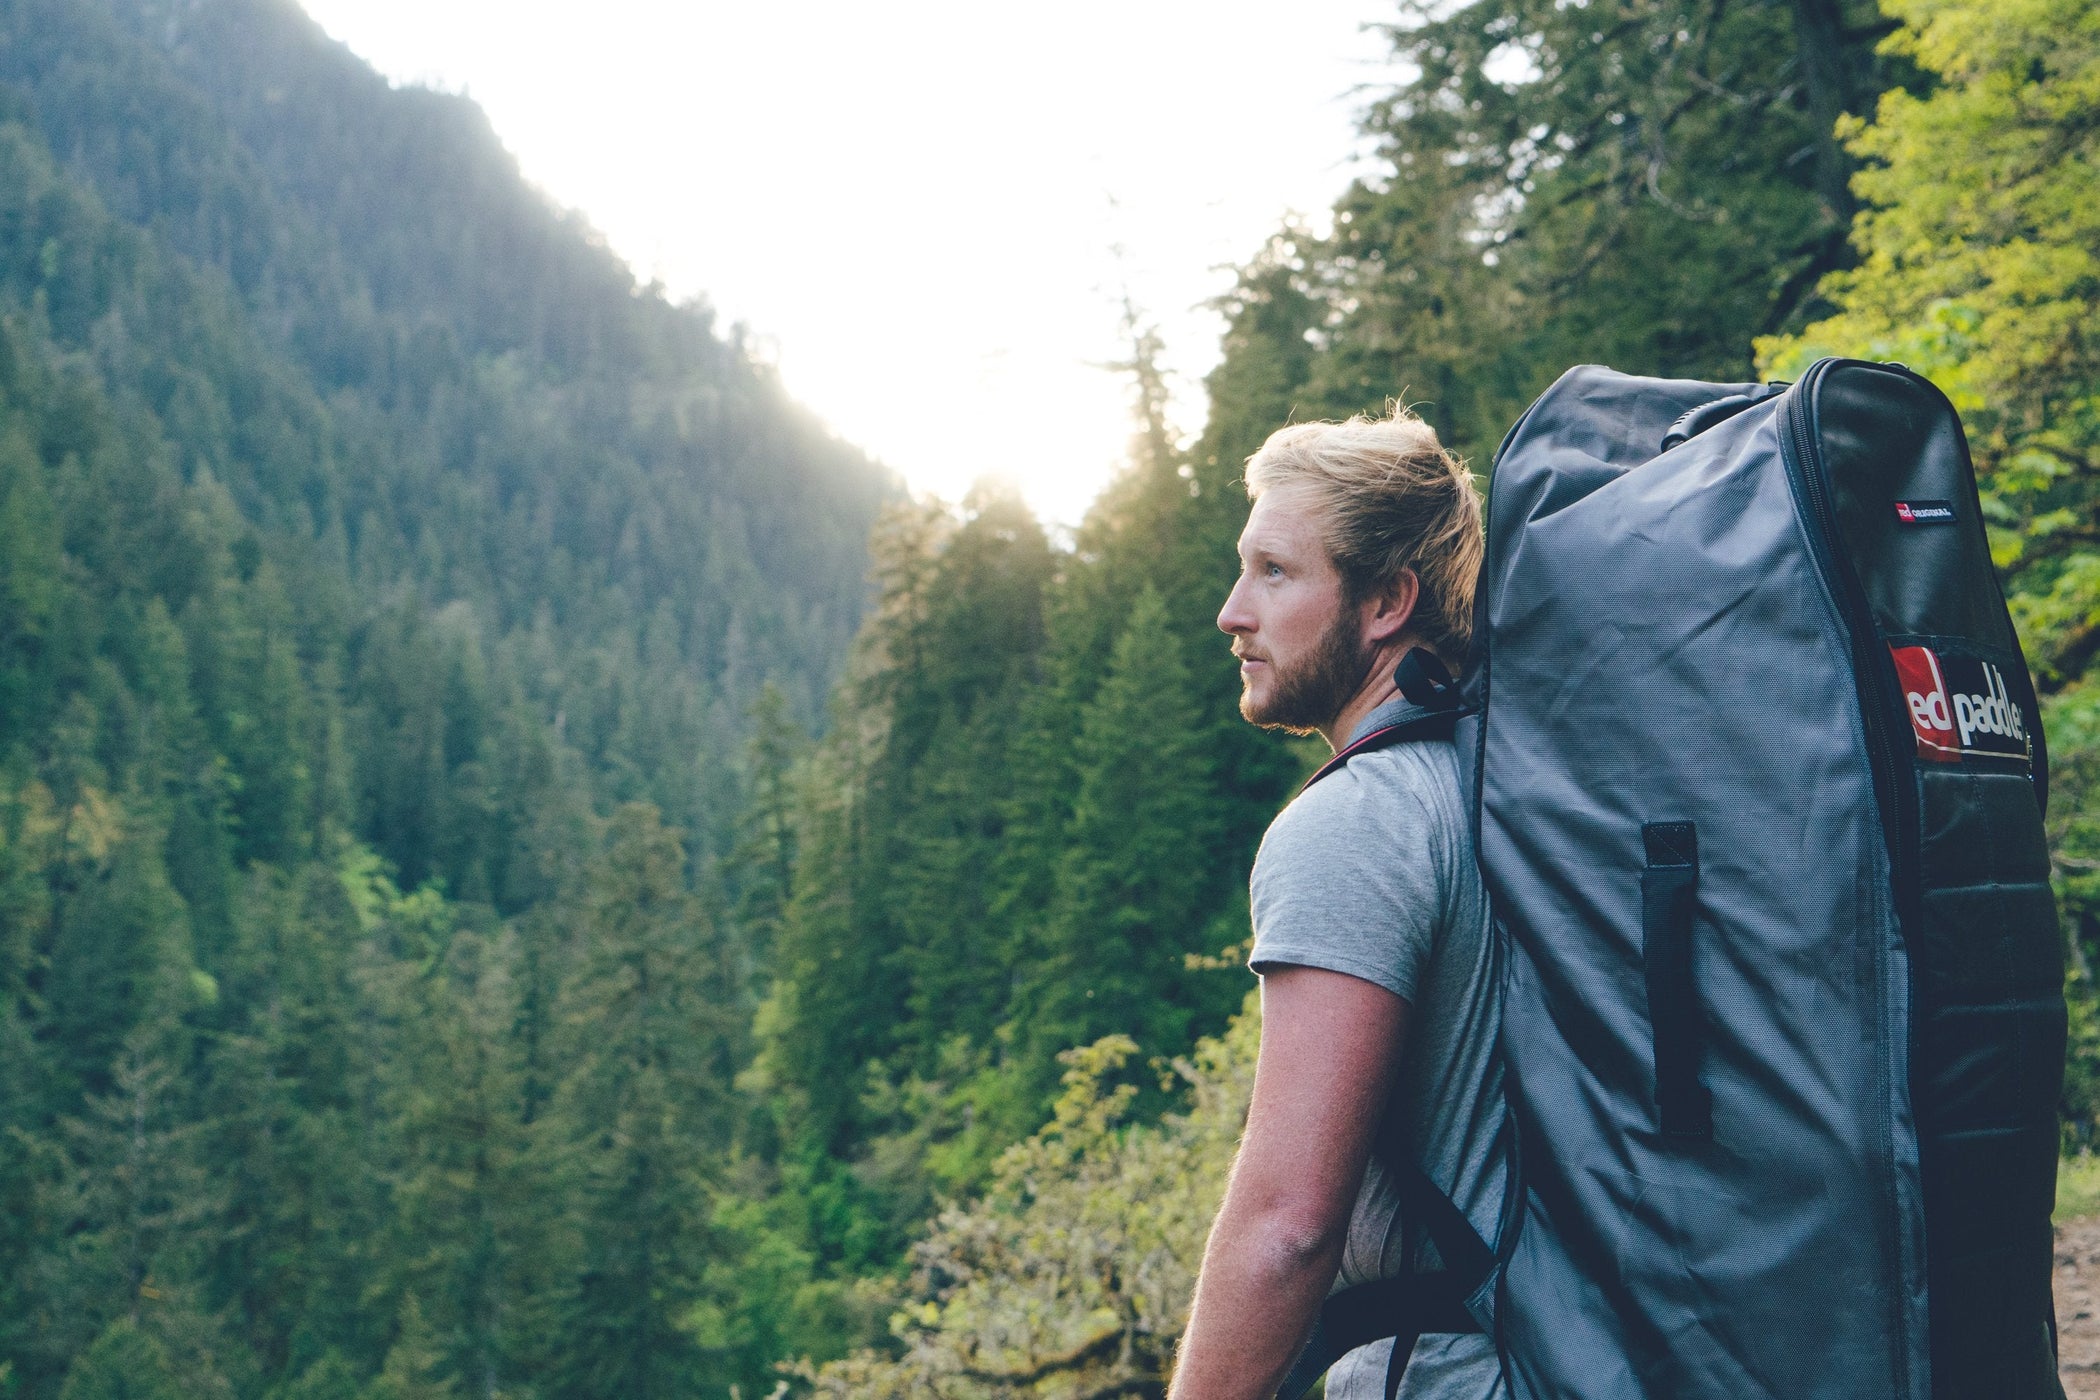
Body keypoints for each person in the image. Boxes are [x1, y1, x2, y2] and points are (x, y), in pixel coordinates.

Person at [1168, 408, 1505, 1400]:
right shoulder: (1507, 781)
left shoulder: (1355, 825)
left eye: (1276, 572)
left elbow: (1288, 1225)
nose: (1234, 610)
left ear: (1386, 601)